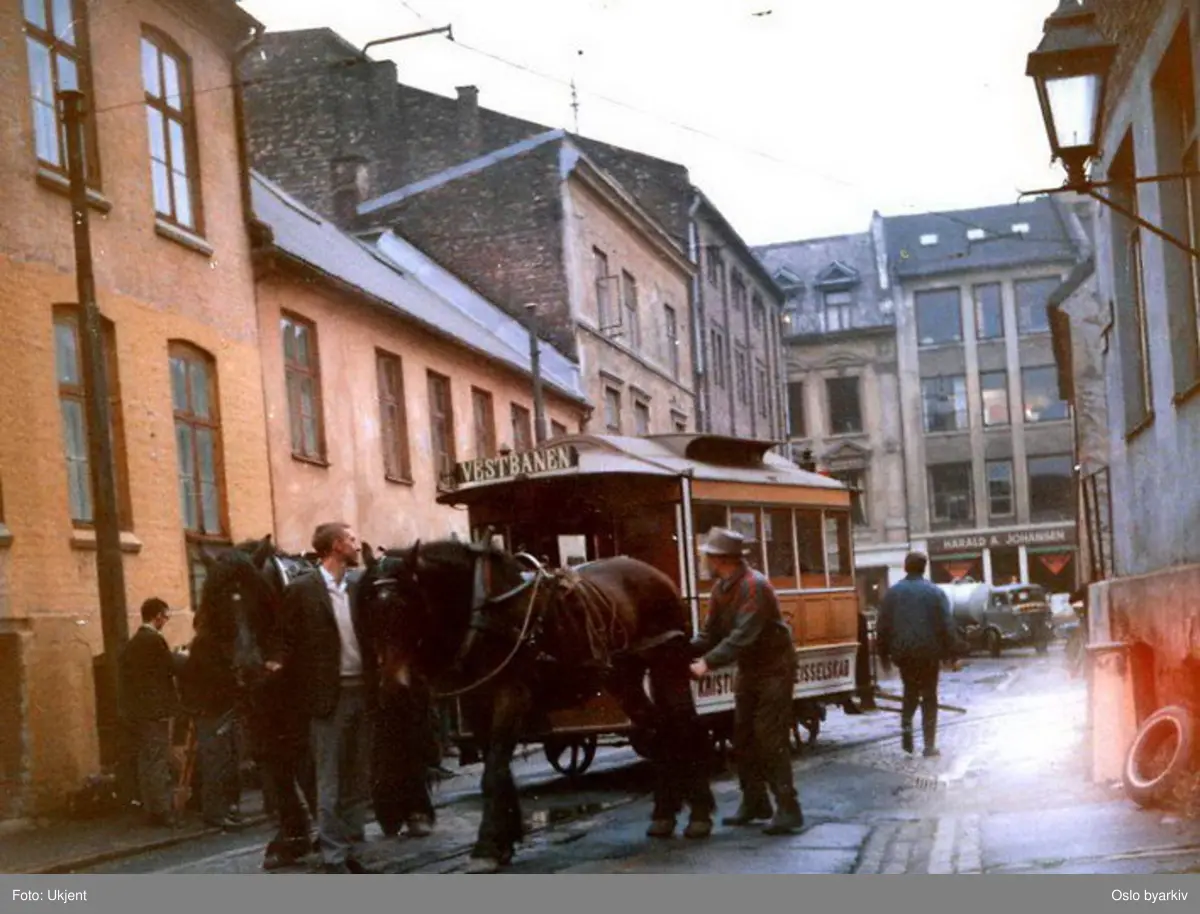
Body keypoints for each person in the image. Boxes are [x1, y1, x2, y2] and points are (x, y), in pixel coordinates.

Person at [270, 523, 375, 874]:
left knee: (358, 780)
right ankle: (333, 857)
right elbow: (287, 642)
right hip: (328, 699)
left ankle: (351, 850)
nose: (356, 544)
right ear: (334, 546)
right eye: (351, 539)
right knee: (329, 781)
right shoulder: (303, 590)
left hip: (363, 691)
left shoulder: (358, 587)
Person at [689, 527, 803, 836]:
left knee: (769, 738)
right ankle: (755, 803)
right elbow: (711, 633)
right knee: (742, 738)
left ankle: (789, 808)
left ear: (721, 558)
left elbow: (743, 634)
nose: (705, 561)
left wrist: (706, 663)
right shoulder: (721, 588)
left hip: (774, 669)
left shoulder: (755, 586)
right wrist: (683, 648)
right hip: (751, 669)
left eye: (708, 556)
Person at [876, 552, 958, 758]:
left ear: (905, 567)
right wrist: (951, 653)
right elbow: (947, 626)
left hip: (904, 653)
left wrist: (884, 654)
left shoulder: (892, 593)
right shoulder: (935, 592)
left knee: (910, 691)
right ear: (924, 568)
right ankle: (929, 746)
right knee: (929, 695)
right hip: (929, 652)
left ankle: (906, 731)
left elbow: (882, 626)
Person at [118, 597, 181, 827]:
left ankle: (150, 808)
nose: (165, 621)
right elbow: (171, 667)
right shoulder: (155, 640)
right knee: (157, 760)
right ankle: (162, 810)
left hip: (138, 712)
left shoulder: (133, 643)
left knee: (146, 759)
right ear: (157, 616)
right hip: (156, 711)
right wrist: (183, 657)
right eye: (165, 616)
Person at [178, 621, 244, 831]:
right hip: (216, 711)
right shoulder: (211, 647)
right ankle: (216, 813)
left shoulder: (202, 646)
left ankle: (219, 811)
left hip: (212, 710)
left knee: (218, 761)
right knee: (217, 762)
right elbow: (217, 679)